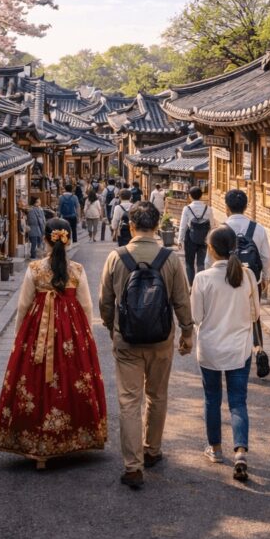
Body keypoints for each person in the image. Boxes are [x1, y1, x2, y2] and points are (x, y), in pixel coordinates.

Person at [0, 218, 107, 469]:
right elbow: (87, 305)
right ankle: (69, 439)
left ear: (45, 239)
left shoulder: (35, 269)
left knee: (35, 382)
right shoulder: (76, 269)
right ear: (68, 239)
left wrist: (18, 337)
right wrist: (85, 335)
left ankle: (37, 446)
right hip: (71, 330)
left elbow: (23, 305)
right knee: (70, 378)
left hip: (38, 329)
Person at [99, 202, 193, 489]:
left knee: (129, 401)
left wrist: (112, 327)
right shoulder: (170, 258)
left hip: (126, 340)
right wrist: (187, 332)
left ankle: (132, 466)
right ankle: (152, 450)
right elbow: (181, 299)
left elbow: (105, 302)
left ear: (130, 227)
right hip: (161, 339)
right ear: (156, 227)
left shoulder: (117, 258)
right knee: (157, 395)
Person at [191, 225, 260, 482]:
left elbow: (195, 316)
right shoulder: (248, 275)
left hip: (210, 347)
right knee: (238, 401)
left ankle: (216, 449)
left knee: (212, 398)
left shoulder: (202, 278)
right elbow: (256, 314)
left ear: (210, 249)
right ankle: (240, 450)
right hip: (239, 347)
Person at [223, 189, 270, 283]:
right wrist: (265, 278)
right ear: (246, 207)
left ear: (226, 207)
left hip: (225, 282)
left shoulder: (219, 230)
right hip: (252, 282)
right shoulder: (258, 229)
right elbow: (266, 258)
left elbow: (209, 261)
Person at [178, 186, 212, 285]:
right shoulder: (208, 208)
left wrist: (180, 240)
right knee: (201, 263)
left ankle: (191, 285)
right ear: (201, 196)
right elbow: (212, 226)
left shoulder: (187, 208)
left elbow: (183, 225)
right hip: (204, 238)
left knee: (189, 263)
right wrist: (209, 240)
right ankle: (200, 285)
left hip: (190, 238)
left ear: (190, 196)